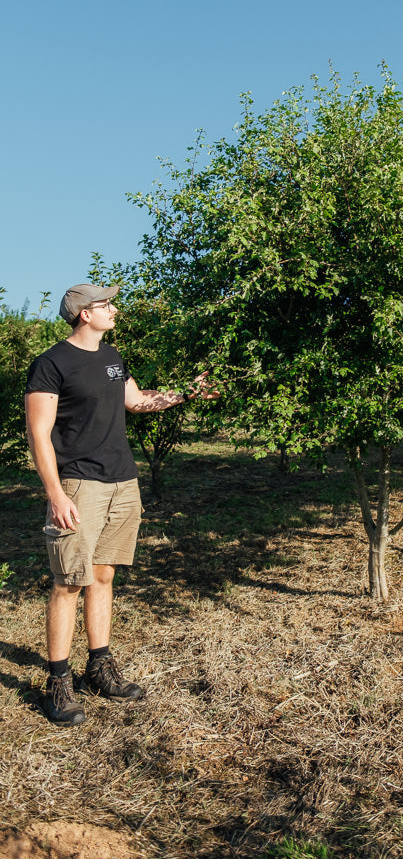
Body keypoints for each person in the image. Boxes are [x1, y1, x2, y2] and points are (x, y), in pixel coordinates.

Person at [24, 282, 218, 726]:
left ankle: (100, 668)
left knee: (103, 574)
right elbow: (39, 434)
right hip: (78, 485)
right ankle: (58, 683)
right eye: (105, 304)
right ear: (83, 314)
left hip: (121, 482)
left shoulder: (112, 358)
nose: (114, 309)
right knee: (68, 582)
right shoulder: (52, 363)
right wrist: (55, 494)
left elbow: (136, 401)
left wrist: (187, 392)